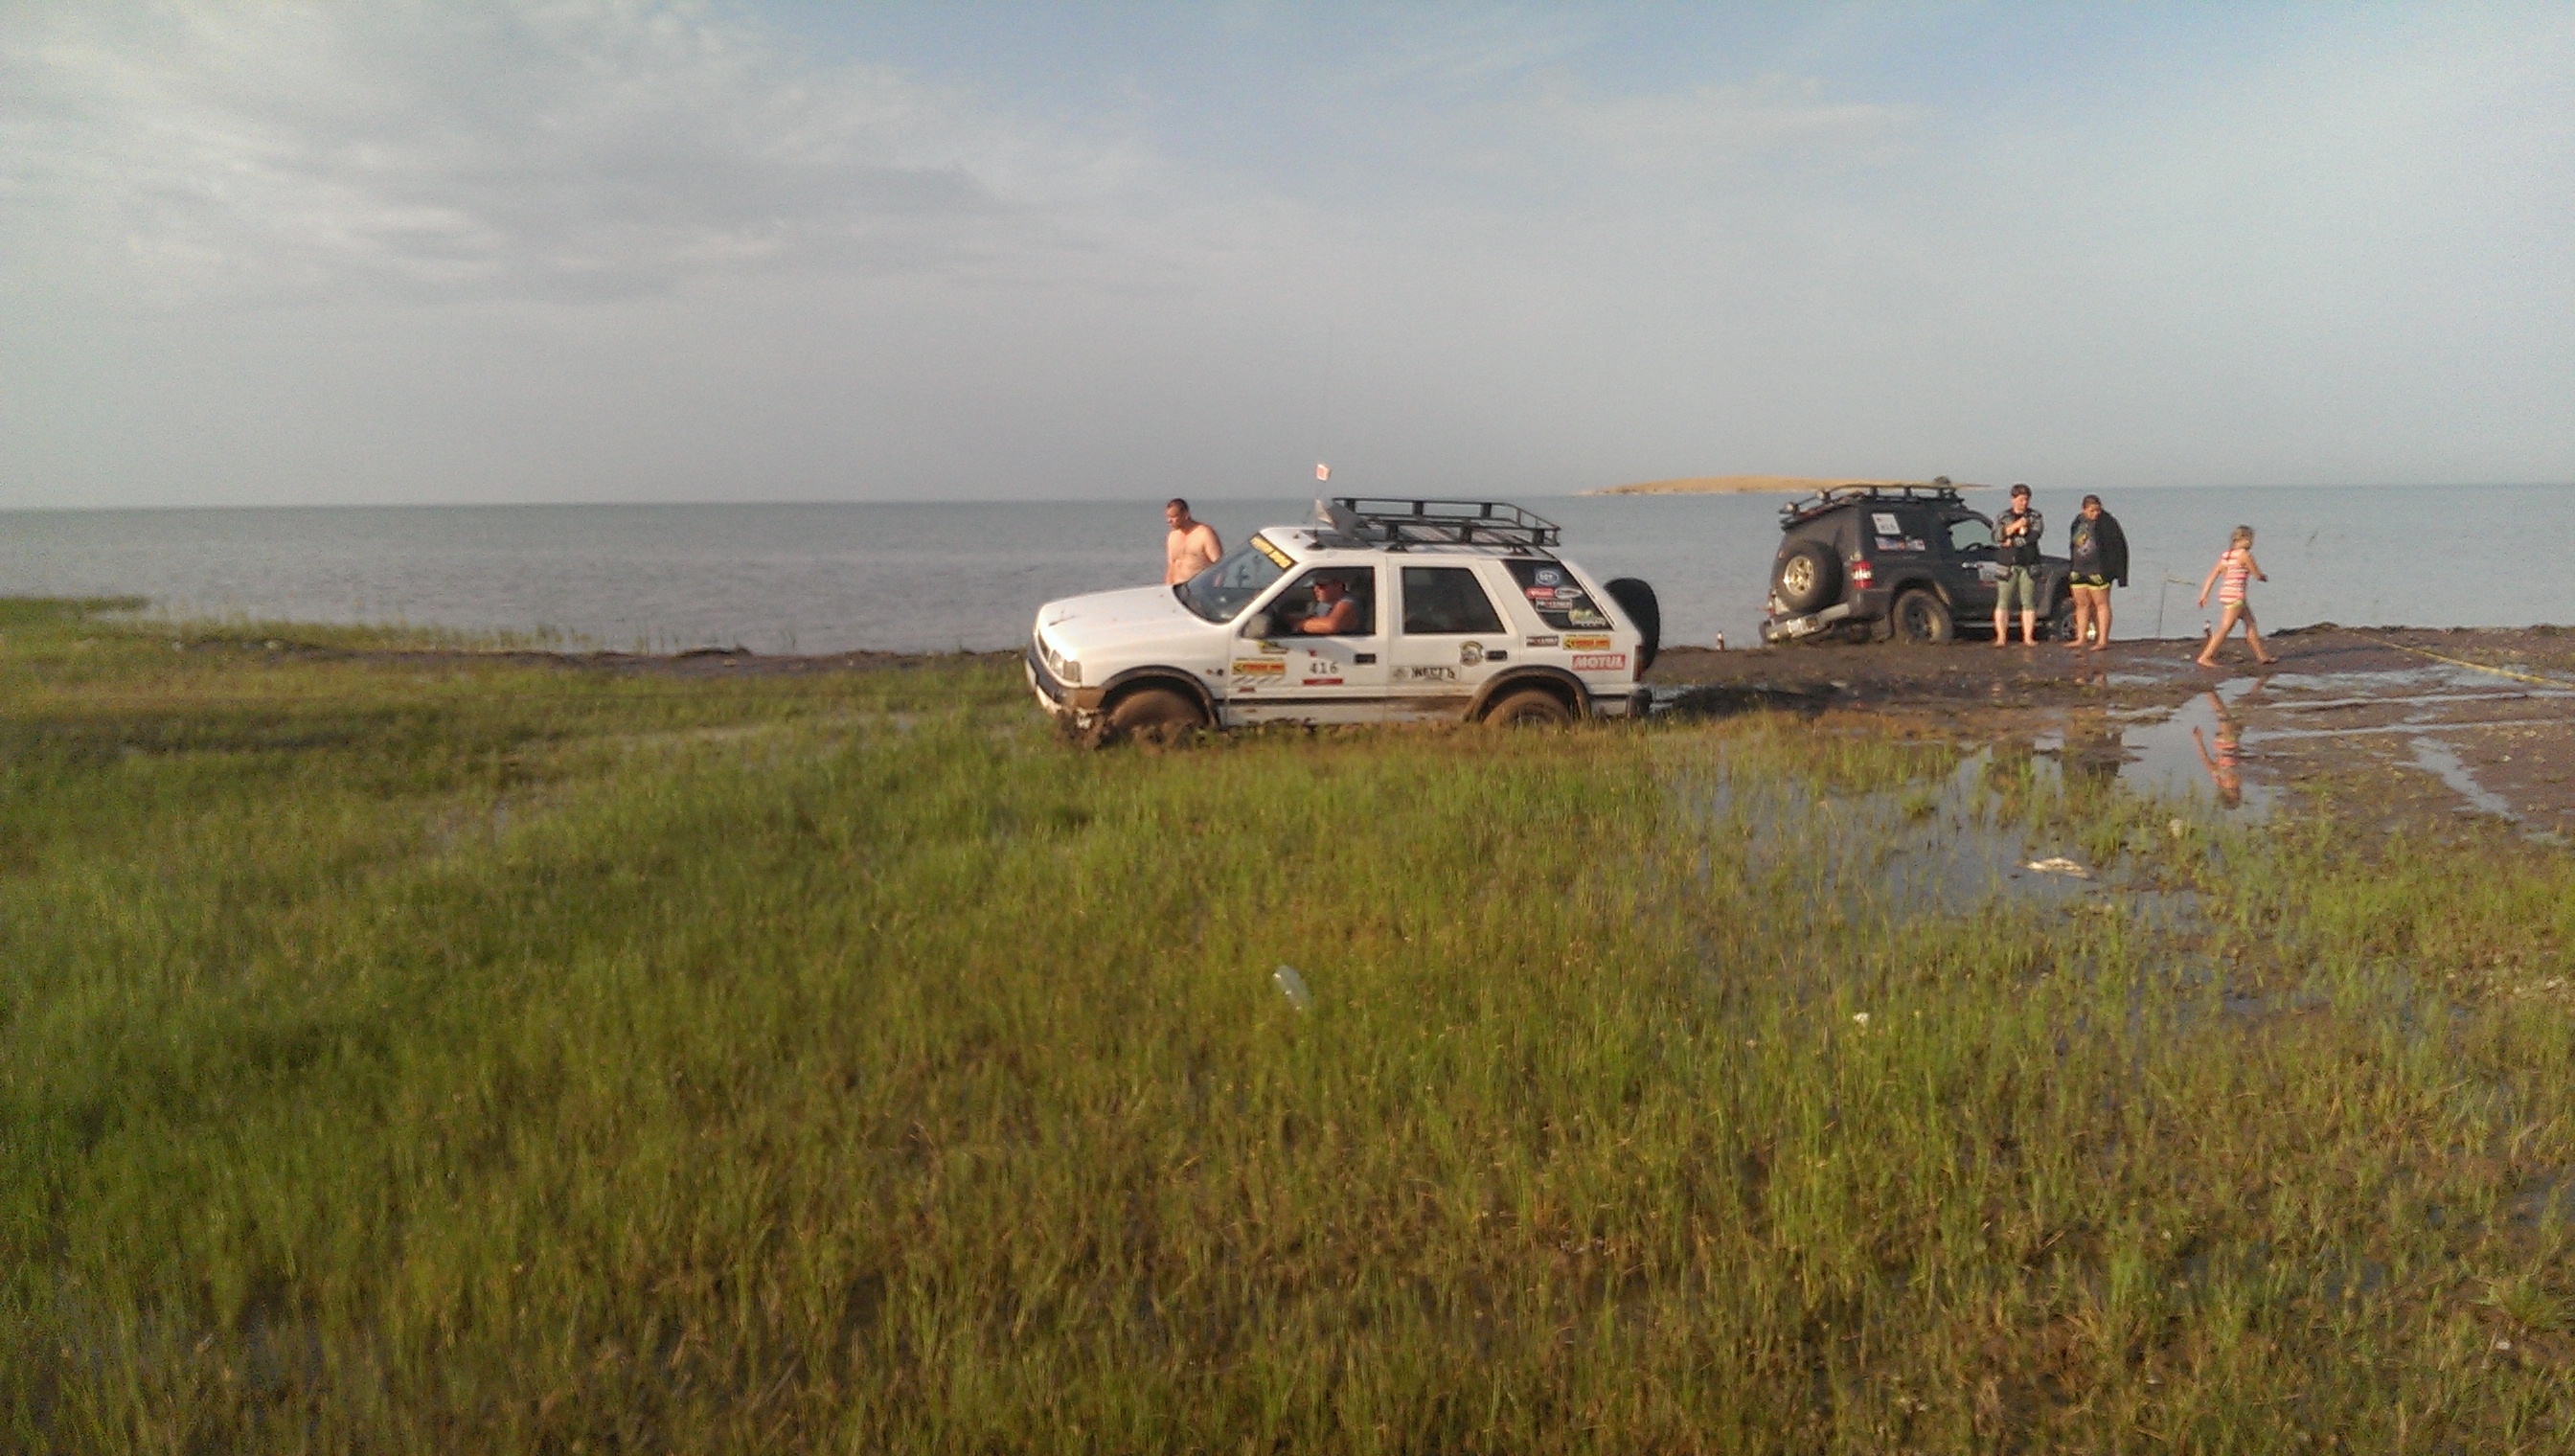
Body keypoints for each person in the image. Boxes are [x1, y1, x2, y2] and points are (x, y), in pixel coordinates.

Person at [2195, 525, 2277, 668]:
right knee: (2225, 627)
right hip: (2235, 596)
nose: (2252, 543)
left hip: (2228, 594)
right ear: (2244, 539)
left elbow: (2212, 576)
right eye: (2251, 539)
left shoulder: (2226, 556)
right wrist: (2263, 577)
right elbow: (2256, 574)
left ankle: (2262, 656)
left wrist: (2204, 594)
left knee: (2250, 623)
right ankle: (2205, 657)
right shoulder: (2244, 555)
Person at [2062, 493, 2129, 652]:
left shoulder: (2108, 522)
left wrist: (2119, 574)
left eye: (2098, 510)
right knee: (2081, 604)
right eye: (2092, 511)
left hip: (2099, 569)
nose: (2095, 513)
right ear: (2084, 510)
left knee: (2101, 604)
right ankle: (2081, 638)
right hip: (2078, 568)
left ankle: (2102, 639)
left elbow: (2119, 547)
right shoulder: (2078, 521)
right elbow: (2073, 544)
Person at [1992, 483, 2043, 647]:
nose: (2024, 503)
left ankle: (2028, 637)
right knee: (2003, 601)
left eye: (2026, 499)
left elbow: (2034, 536)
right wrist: (2015, 526)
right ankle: (2001, 637)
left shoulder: (2035, 516)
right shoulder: (2003, 516)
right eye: (2021, 499)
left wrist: (2012, 541)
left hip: (2029, 564)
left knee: (2028, 601)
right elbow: (1996, 536)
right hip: (2007, 565)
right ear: (2013, 499)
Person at [1164, 498, 1222, 584]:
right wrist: (1166, 587)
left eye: (1173, 517)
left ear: (1186, 515)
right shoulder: (1172, 536)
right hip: (1176, 587)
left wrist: (1216, 587)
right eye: (1168, 517)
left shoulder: (1204, 533)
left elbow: (1220, 565)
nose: (1169, 520)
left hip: (1198, 587)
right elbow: (1171, 566)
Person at [1298, 574, 1362, 635]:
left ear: (1338, 585)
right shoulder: (1325, 603)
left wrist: (1301, 624)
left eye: (1321, 586)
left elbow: (1332, 625)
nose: (1315, 589)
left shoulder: (1348, 603)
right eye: (1315, 585)